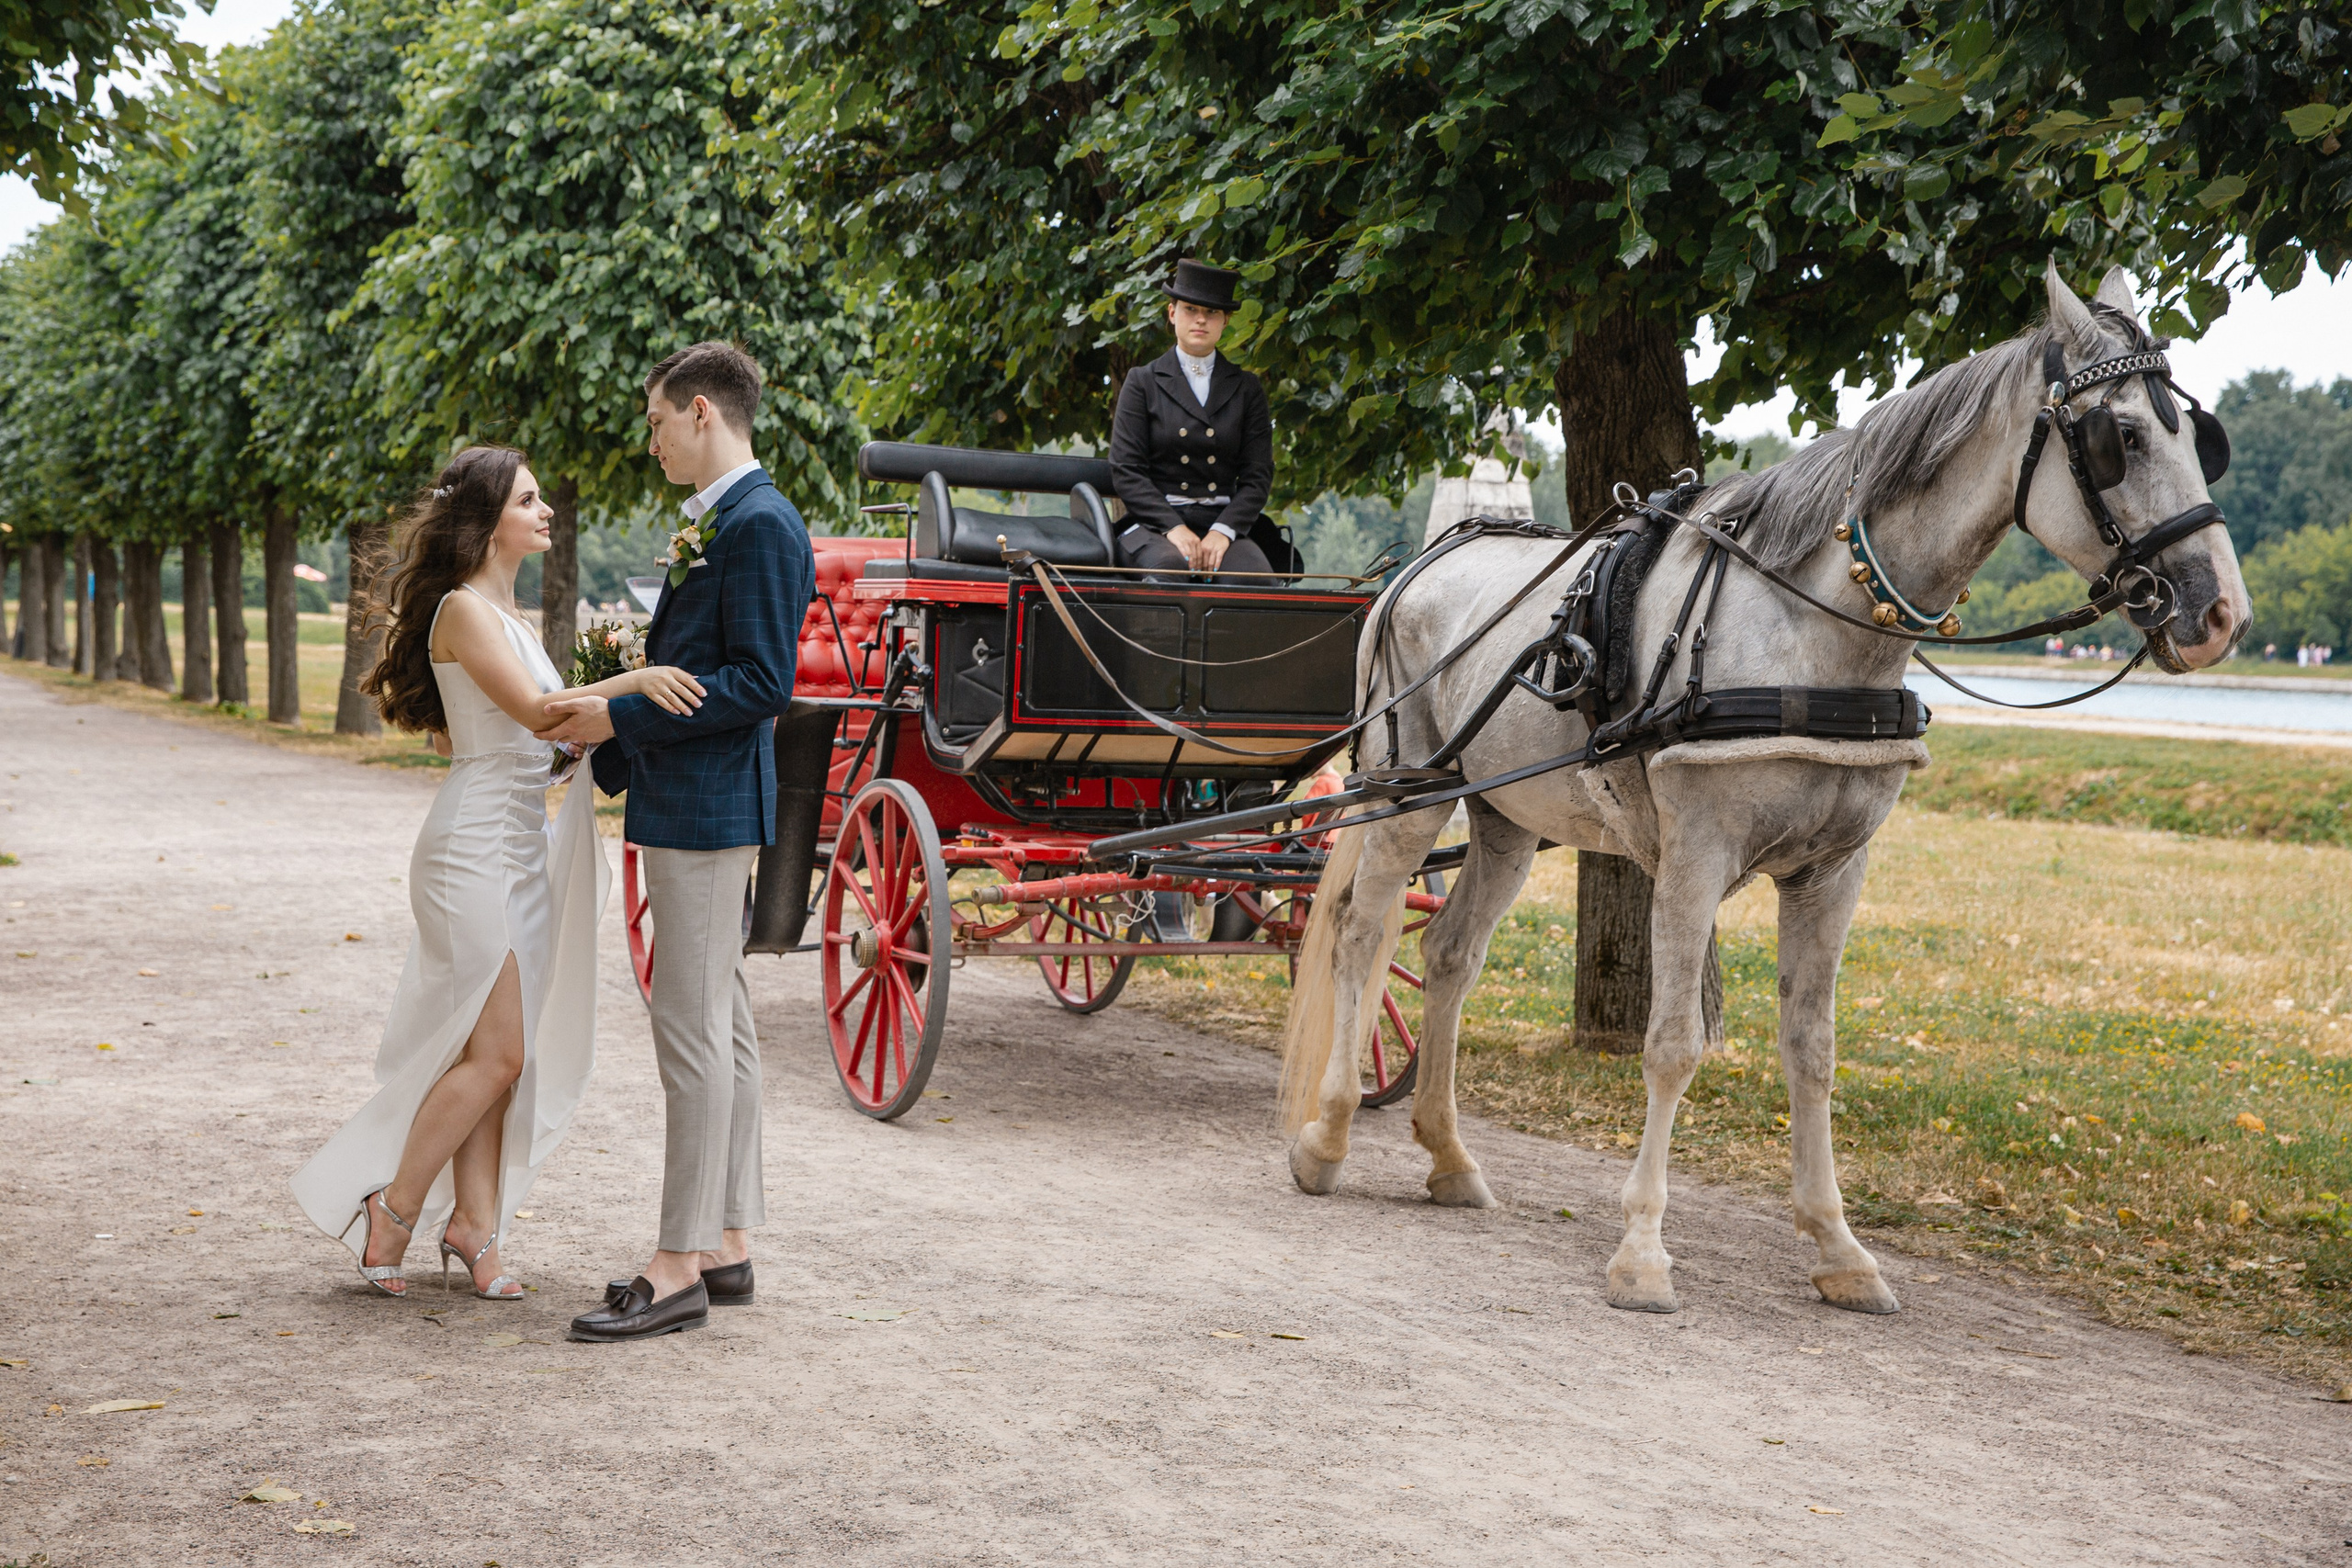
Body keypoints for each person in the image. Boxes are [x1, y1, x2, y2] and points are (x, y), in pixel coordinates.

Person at [290, 446, 701, 1300]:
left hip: (520, 843)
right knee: (503, 1053)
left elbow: (516, 735)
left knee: (496, 1053)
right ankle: (393, 1205)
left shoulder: (509, 616)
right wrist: (640, 680)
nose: (546, 509)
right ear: (487, 520)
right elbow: (538, 712)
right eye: (530, 498)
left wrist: (560, 753)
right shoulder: (462, 609)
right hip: (471, 848)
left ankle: (475, 1225)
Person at [539, 341, 814, 1344]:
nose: (650, 440)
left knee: (688, 1034)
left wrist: (619, 719)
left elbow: (760, 683)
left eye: (657, 421)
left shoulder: (759, 523)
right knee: (721, 1028)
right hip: (690, 798)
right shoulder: (726, 519)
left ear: (702, 411)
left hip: (705, 804)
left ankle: (676, 1266)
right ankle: (728, 1241)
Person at [1107, 257, 1295, 581]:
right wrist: (1174, 528)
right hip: (1156, 523)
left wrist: (1223, 530)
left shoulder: (1246, 388)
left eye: (1211, 313)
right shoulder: (1142, 382)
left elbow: (1258, 475)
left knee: (1255, 581)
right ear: (1172, 313)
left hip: (1221, 522)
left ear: (1225, 321)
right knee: (1168, 571)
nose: (1200, 320)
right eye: (1191, 310)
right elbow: (1127, 470)